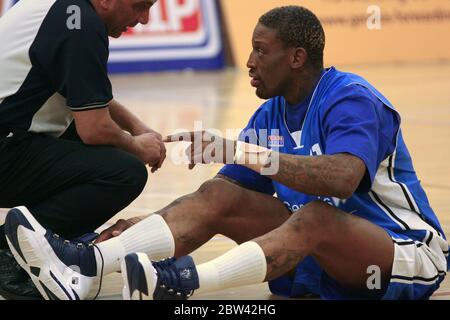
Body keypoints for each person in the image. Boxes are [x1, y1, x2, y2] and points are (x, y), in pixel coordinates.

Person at [4, 5, 450, 300]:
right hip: (320, 264)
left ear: (297, 58)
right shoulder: (269, 115)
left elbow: (342, 179)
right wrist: (134, 232)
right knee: (221, 196)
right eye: (251, 49)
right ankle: (86, 264)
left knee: (315, 216)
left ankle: (183, 283)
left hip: (398, 254)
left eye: (261, 50)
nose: (250, 61)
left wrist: (241, 150)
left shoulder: (350, 98)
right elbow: (213, 201)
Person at [0, 0, 164, 300]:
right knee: (124, 171)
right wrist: (138, 146)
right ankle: (7, 253)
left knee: (103, 145)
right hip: (6, 147)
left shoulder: (65, 9)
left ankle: (50, 241)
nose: (144, 19)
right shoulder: (81, 24)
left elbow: (85, 92)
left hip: (10, 137)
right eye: (140, 6)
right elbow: (94, 128)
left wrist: (137, 127)